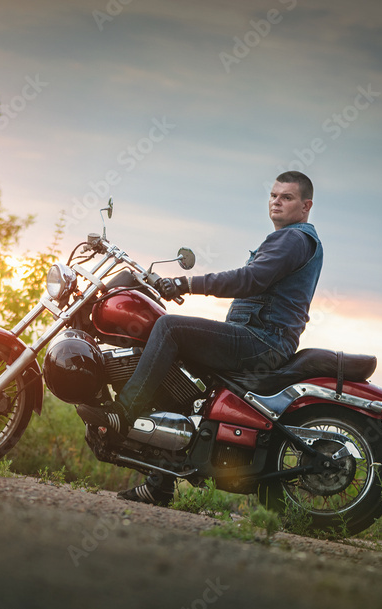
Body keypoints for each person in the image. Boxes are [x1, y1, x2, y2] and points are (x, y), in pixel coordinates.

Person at [77, 170, 323, 506]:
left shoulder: (293, 239)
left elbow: (249, 280)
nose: (276, 202)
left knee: (170, 328)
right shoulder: (292, 240)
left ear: (305, 206)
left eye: (287, 197)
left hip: (261, 341)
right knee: (176, 370)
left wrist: (184, 284)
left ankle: (123, 412)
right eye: (273, 195)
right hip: (259, 338)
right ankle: (159, 482)